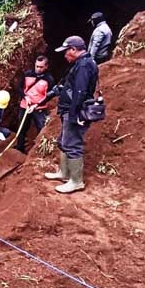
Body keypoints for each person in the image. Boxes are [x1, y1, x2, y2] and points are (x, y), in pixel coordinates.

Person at [44, 36, 99, 194]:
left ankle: (76, 181)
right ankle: (64, 173)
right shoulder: (82, 64)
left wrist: (74, 116)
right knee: (64, 141)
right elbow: (69, 88)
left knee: (73, 145)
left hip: (74, 112)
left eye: (66, 51)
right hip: (68, 111)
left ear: (74, 50)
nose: (65, 55)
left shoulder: (84, 66)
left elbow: (80, 92)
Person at [14, 56, 55, 153]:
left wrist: (36, 105)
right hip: (25, 106)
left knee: (42, 128)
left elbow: (49, 96)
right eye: (37, 66)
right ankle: (19, 148)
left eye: (41, 67)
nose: (38, 69)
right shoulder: (28, 74)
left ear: (46, 67)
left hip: (39, 108)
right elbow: (19, 87)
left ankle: (40, 151)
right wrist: (25, 97)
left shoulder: (49, 79)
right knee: (22, 128)